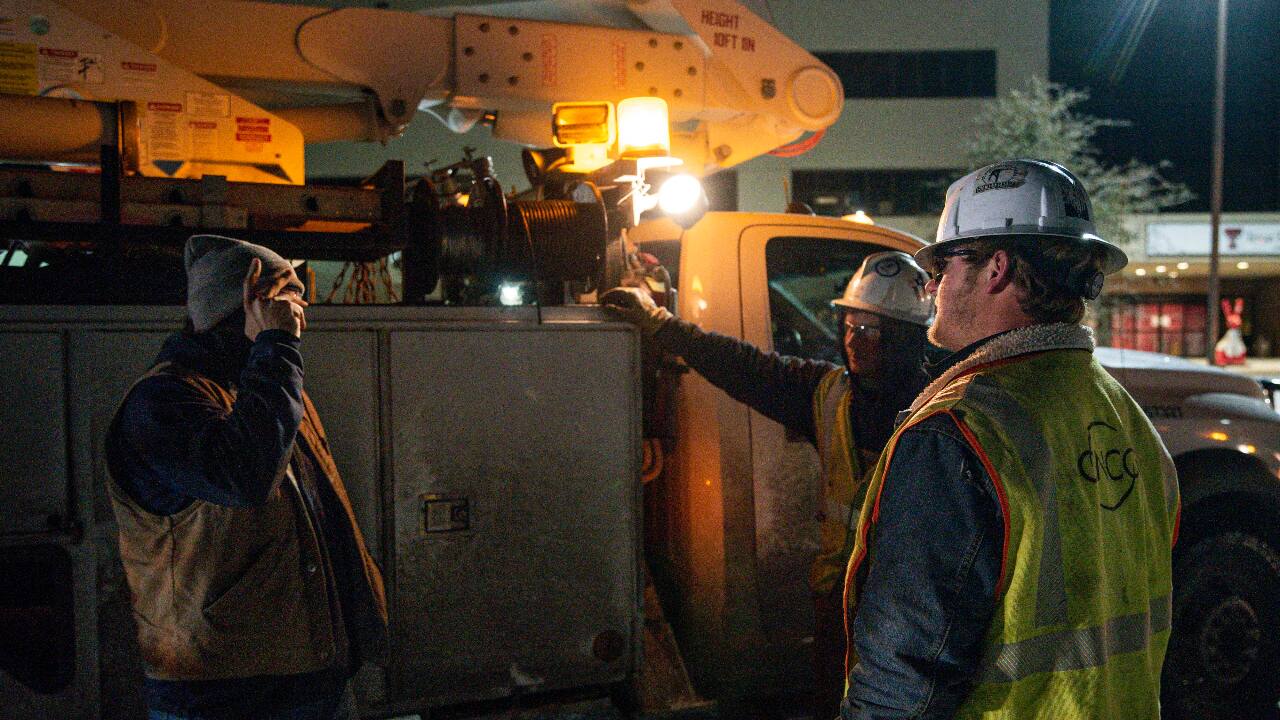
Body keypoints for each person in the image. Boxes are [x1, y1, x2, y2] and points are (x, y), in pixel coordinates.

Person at [839, 159, 1180, 719]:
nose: (933, 286)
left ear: (995, 268)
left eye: (944, 264)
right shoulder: (1128, 419)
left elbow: (904, 681)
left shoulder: (960, 432)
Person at [603, 250, 933, 719]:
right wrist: (662, 325)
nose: (855, 341)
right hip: (838, 602)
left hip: (908, 608)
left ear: (906, 340)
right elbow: (748, 367)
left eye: (872, 330)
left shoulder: (944, 408)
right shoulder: (829, 392)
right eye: (850, 326)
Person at [105, 234, 388, 720]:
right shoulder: (163, 401)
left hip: (310, 671)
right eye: (288, 296)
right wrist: (276, 347)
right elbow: (245, 478)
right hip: (222, 692)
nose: (301, 311)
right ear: (246, 306)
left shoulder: (264, 384)